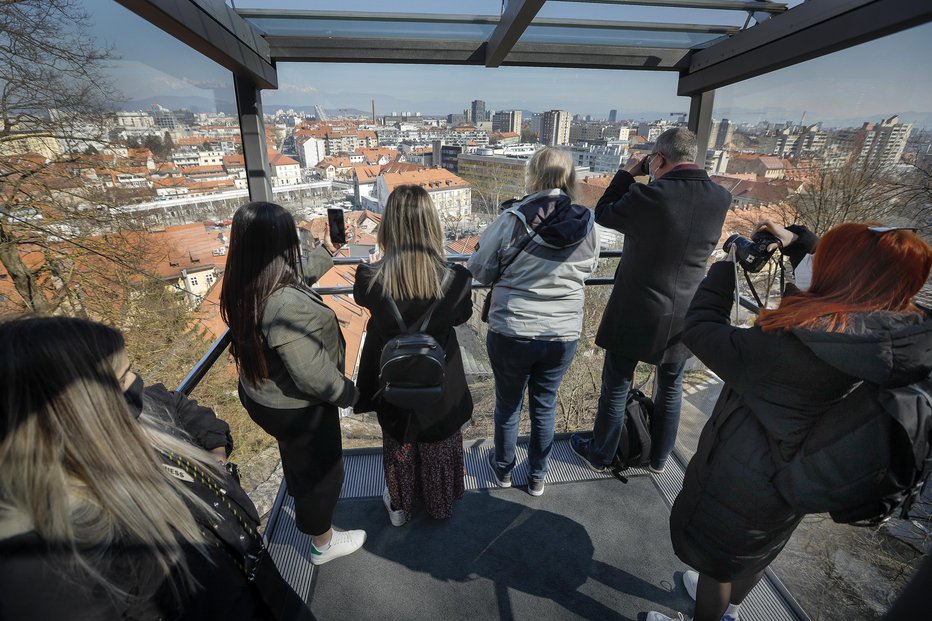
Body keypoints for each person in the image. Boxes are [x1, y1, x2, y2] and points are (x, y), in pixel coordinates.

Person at [647, 223, 932, 621]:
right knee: (758, 551)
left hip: (746, 471)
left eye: (824, 259)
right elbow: (836, 296)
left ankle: (712, 610)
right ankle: (729, 608)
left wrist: (726, 266)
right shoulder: (887, 338)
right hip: (799, 472)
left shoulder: (787, 348)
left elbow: (700, 330)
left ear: (840, 273)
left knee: (717, 564)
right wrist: (800, 243)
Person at [0, 315, 290, 620]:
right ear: (84, 407)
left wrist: (216, 453)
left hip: (250, 568)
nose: (137, 382)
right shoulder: (77, 554)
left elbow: (176, 403)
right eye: (124, 375)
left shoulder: (136, 421)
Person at [571, 127, 731, 474]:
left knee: (616, 385)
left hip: (637, 309)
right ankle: (659, 460)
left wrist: (628, 173)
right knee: (670, 388)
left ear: (659, 159)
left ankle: (601, 453)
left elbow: (605, 213)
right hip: (687, 311)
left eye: (653, 161)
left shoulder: (652, 195)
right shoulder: (720, 197)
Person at [220, 201, 365, 564]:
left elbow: (294, 276)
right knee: (323, 473)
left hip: (263, 396)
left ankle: (310, 513)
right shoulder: (283, 303)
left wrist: (328, 251)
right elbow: (313, 375)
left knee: (299, 462)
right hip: (298, 409)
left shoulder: (246, 278)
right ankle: (323, 542)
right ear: (275, 243)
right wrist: (350, 394)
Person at [468, 147, 599, 496]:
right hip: (562, 333)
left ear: (533, 175)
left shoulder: (513, 219)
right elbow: (589, 269)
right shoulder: (588, 223)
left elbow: (480, 269)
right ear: (570, 179)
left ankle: (504, 470)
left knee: (508, 405)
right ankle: (538, 475)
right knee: (545, 405)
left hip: (513, 330)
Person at [354, 185, 473, 525]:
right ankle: (439, 505)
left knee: (399, 443)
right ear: (432, 225)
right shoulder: (457, 279)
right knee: (438, 441)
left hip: (392, 381)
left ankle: (400, 505)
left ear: (389, 226)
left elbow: (366, 299)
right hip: (440, 380)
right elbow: (462, 317)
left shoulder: (368, 278)